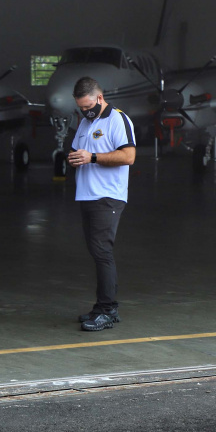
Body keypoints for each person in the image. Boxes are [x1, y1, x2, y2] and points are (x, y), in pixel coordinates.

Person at [67, 76, 136, 332]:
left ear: (99, 97)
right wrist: (75, 158)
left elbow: (129, 156)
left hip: (107, 197)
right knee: (97, 253)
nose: (84, 111)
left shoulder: (117, 119)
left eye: (87, 106)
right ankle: (102, 308)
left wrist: (92, 157)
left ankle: (108, 310)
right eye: (80, 107)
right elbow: (78, 150)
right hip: (87, 195)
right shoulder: (86, 122)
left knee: (103, 253)